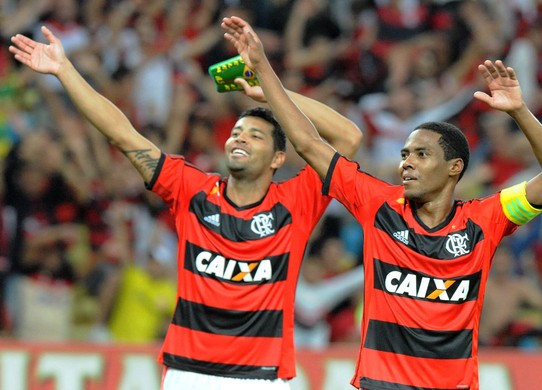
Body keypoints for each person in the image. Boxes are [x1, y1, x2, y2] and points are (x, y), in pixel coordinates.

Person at [221, 15, 542, 390]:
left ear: (454, 168)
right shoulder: (378, 205)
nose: (406, 162)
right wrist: (267, 76)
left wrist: (520, 111)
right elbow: (309, 144)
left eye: (421, 154)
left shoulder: (485, 219)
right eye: (405, 154)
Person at [9, 25, 362, 389]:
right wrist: (64, 70)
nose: (240, 138)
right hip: (189, 374)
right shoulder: (191, 189)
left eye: (255, 135)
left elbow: (348, 137)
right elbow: (121, 133)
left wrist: (271, 90)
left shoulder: (298, 201)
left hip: (262, 377)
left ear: (277, 158)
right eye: (236, 132)